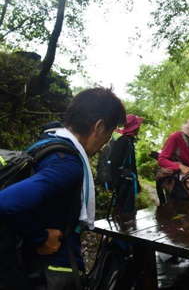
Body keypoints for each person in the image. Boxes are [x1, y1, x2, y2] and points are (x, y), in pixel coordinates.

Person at [0, 87, 126, 289]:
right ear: (99, 127)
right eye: (109, 134)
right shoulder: (67, 164)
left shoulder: (46, 144)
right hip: (50, 272)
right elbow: (5, 202)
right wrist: (41, 237)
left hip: (25, 263)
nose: (105, 144)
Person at [158, 117, 189, 200]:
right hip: (173, 176)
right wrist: (179, 166)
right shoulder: (175, 137)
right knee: (177, 203)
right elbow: (162, 160)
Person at [109, 114, 144, 221]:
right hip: (124, 183)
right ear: (135, 127)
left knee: (124, 212)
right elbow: (115, 162)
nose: (139, 127)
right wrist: (116, 183)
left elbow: (130, 164)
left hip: (126, 181)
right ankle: (120, 235)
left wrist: (136, 183)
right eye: (138, 125)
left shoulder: (127, 141)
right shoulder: (123, 141)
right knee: (125, 213)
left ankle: (121, 233)